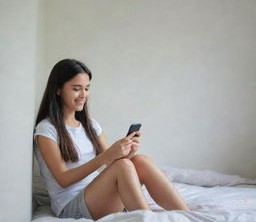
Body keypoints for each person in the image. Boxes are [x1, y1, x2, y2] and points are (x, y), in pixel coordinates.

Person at [33, 58, 189, 220]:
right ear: (58, 89)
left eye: (87, 88)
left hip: (100, 196)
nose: (84, 95)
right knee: (122, 165)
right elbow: (63, 179)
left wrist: (128, 151)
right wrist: (108, 156)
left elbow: (112, 163)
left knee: (140, 160)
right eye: (77, 89)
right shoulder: (47, 129)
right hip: (71, 204)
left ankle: (189, 215)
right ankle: (149, 219)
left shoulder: (91, 125)